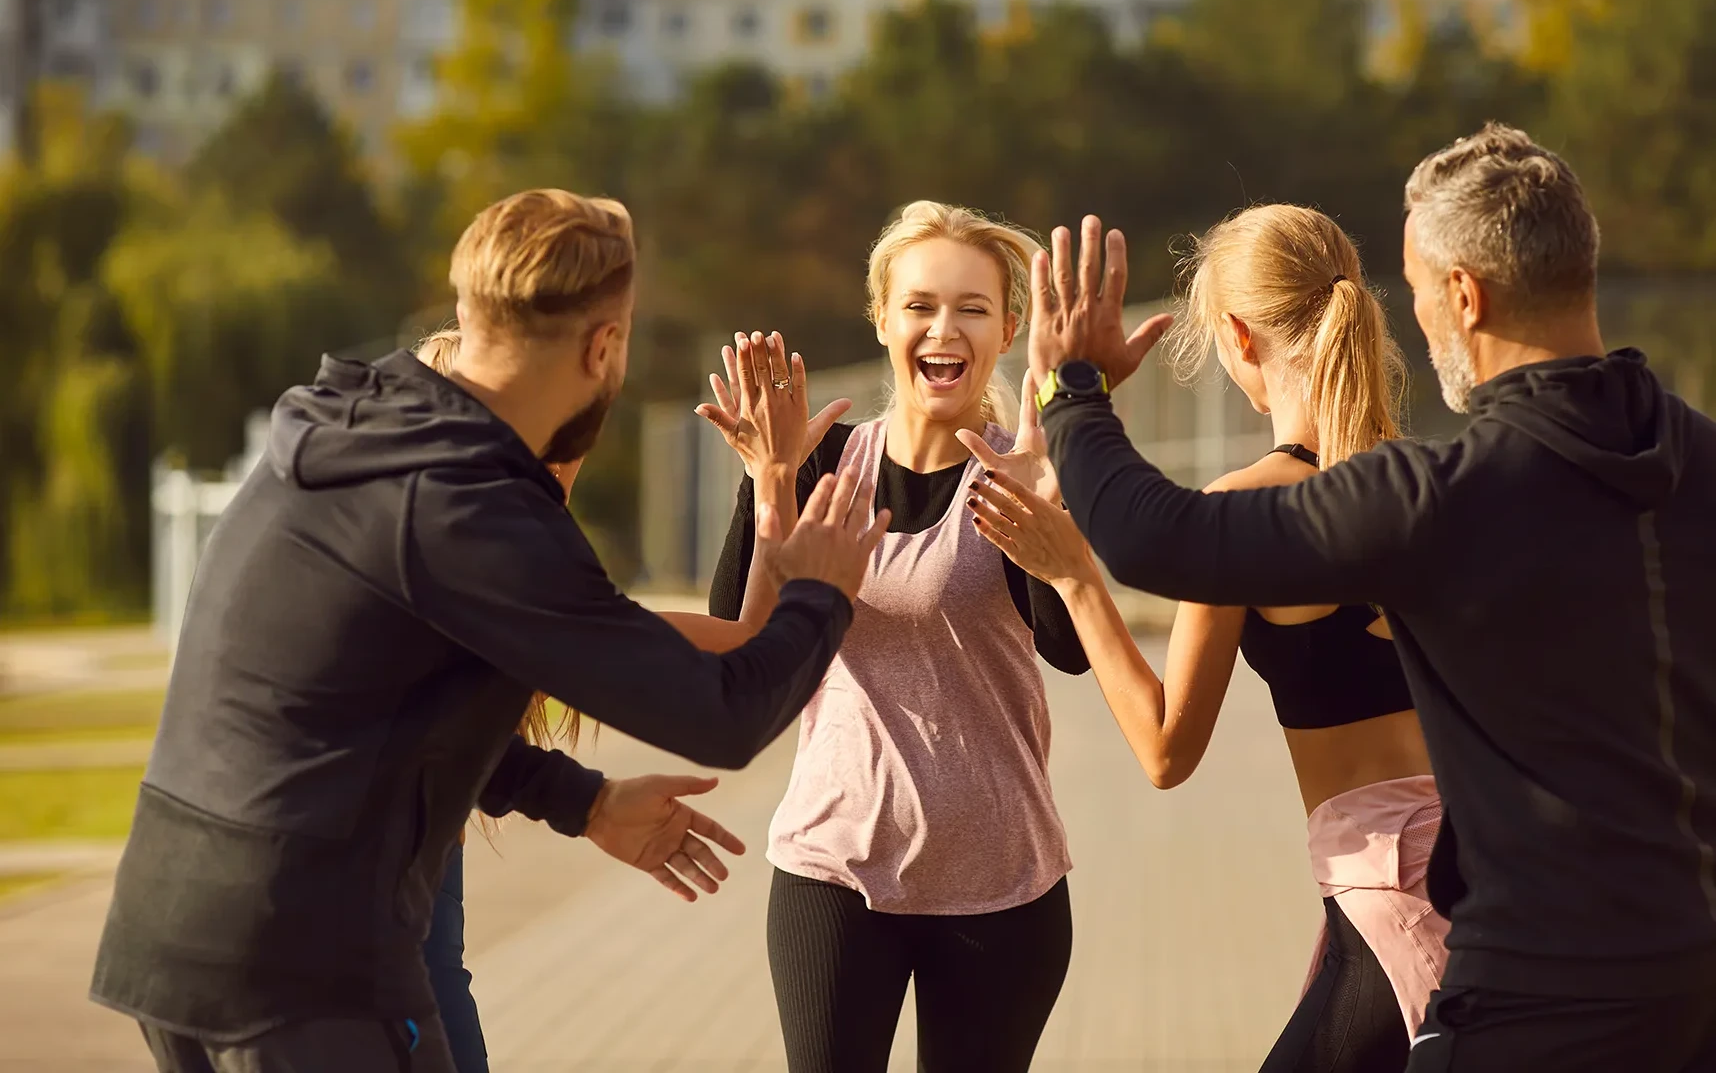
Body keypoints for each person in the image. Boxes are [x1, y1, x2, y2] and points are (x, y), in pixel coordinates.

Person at [90, 188, 889, 1073]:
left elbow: (380, 710)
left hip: (170, 939)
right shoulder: (475, 507)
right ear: (605, 347)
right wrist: (821, 592)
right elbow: (723, 716)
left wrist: (581, 802)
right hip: (309, 968)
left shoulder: (339, 421)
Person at [1027, 126, 1716, 1070]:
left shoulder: (1432, 498)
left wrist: (1075, 399)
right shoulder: (1644, 461)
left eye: (1427, 294)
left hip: (1436, 915)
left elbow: (1160, 580)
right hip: (1638, 933)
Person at [962, 204, 1447, 1072]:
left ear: (1237, 337)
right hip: (1480, 885)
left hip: (1390, 904)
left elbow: (1164, 749)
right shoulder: (1430, 486)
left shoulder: (1252, 508)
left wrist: (1074, 574)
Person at [699, 201, 1091, 1073]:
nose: (942, 328)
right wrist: (768, 481)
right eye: (918, 305)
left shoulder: (1018, 467)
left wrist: (1042, 506)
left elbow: (1070, 648)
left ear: (1008, 329)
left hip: (1001, 887)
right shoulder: (819, 460)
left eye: (972, 308)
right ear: (882, 319)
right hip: (832, 874)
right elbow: (738, 638)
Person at [411, 325, 837, 1073]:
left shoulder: (523, 591)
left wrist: (774, 479)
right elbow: (743, 687)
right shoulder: (437, 577)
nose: (569, 449)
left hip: (413, 906)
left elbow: (747, 643)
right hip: (356, 917)